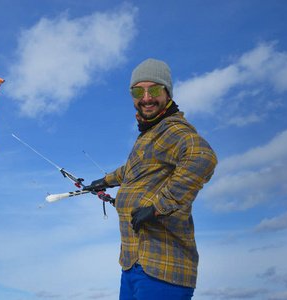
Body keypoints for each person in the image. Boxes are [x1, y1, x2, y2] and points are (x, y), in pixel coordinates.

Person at [84, 59, 218, 299]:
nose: (146, 98)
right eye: (138, 91)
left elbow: (203, 158)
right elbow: (135, 169)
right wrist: (105, 181)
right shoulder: (150, 133)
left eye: (154, 90)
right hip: (134, 265)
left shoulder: (172, 129)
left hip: (163, 268)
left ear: (167, 93)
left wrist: (158, 208)